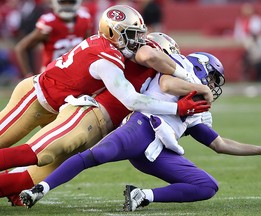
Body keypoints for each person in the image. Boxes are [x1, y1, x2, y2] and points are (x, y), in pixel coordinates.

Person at [19, 52, 261, 210]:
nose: (213, 86)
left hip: (157, 150)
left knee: (207, 186)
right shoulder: (182, 73)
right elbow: (168, 85)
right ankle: (39, 188)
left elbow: (218, 143)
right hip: (140, 127)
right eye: (213, 78)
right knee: (95, 155)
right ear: (201, 70)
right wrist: (199, 88)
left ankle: (142, 196)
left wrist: (259, 150)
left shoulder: (199, 106)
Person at [0, 32, 211, 206]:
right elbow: (148, 57)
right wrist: (187, 78)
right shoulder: (148, 55)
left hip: (99, 127)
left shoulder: (156, 76)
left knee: (34, 177)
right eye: (171, 57)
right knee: (41, 152)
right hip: (86, 113)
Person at [0, 5, 205, 150]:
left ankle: (13, 185)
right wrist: (176, 108)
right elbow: (131, 99)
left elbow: (147, 54)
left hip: (58, 105)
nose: (138, 40)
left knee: (44, 153)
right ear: (112, 33)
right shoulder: (107, 56)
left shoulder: (113, 48)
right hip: (37, 97)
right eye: (132, 34)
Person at [14, 0, 93, 78]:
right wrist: (28, 76)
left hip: (76, 75)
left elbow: (88, 49)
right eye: (63, 2)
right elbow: (21, 48)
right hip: (52, 77)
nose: (66, 6)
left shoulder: (84, 20)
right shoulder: (49, 23)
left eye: (70, 2)